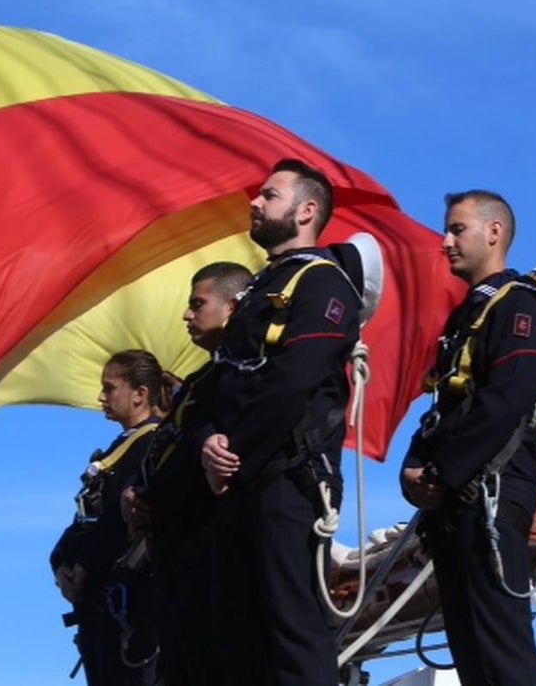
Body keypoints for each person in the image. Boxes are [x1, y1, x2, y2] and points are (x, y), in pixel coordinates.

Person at [201, 158, 363, 686]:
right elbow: (218, 383)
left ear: (306, 211)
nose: (255, 202)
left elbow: (295, 379)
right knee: (237, 636)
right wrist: (208, 442)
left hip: (287, 479)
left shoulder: (323, 285)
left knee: (293, 632)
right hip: (241, 480)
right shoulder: (258, 291)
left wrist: (231, 453)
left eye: (270, 196)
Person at [400, 190, 536, 686]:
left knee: (500, 649)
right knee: (472, 654)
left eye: (457, 229)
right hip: (457, 500)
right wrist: (414, 471)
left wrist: (442, 474)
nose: (445, 241)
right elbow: (444, 407)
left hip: (487, 495)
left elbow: (505, 400)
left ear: (494, 233)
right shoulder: (470, 315)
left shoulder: (522, 307)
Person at [120, 260, 253, 686]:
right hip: (175, 557)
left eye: (198, 304)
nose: (186, 314)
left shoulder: (243, 374)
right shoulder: (198, 382)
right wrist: (142, 498)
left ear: (233, 307)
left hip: (212, 552)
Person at [50, 349, 169, 686]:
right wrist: (60, 565)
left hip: (133, 607)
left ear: (140, 394)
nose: (101, 396)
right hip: (99, 608)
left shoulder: (154, 445)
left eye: (110, 387)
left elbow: (120, 515)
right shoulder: (119, 448)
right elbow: (84, 519)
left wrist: (84, 567)